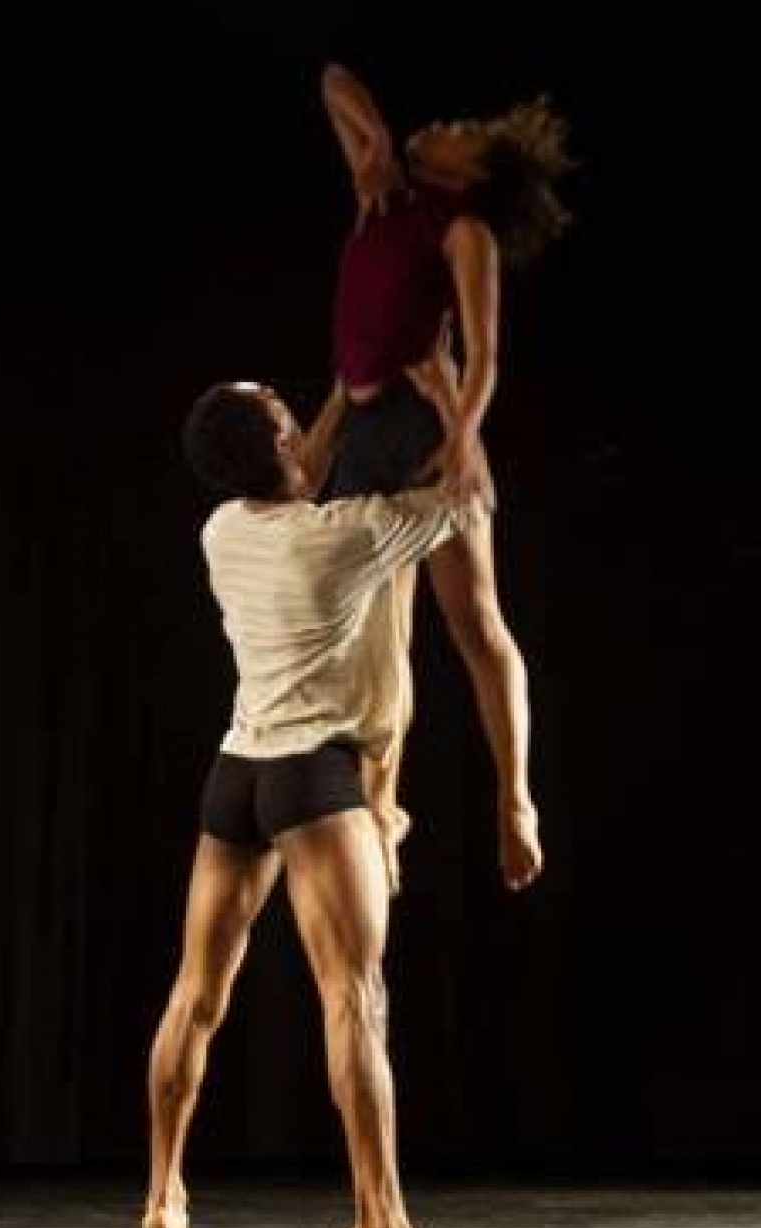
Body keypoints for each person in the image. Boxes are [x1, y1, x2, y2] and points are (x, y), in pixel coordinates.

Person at [143, 349, 475, 1228]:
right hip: (316, 779)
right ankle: (380, 1218)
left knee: (195, 995)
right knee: (354, 999)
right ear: (285, 444)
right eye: (289, 414)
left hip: (237, 775)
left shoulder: (221, 529)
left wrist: (341, 389)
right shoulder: (349, 535)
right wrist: (450, 394)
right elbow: (467, 490)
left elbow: (294, 470)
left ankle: (163, 1195)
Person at [321, 62, 573, 892]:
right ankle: (381, 813)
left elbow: (486, 354)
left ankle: (515, 797)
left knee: (475, 623)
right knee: (378, 644)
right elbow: (332, 80)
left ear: (471, 174)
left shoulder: (465, 232)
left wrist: (463, 438)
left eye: (463, 132)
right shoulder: (382, 194)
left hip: (422, 431)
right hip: (362, 436)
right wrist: (375, 143)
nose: (444, 124)